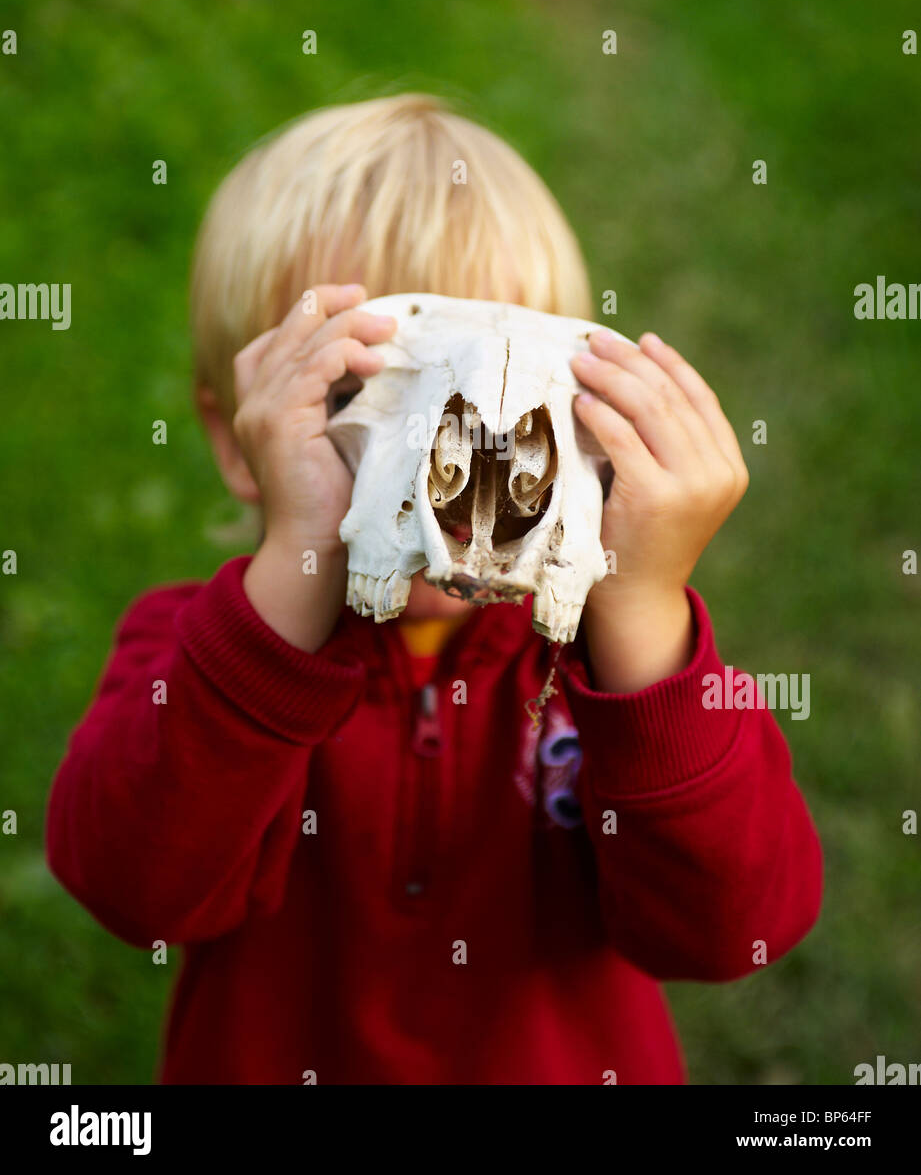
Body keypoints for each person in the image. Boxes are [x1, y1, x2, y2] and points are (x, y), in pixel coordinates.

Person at [46, 93, 822, 1084]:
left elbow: (735, 933)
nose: (446, 469)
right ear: (239, 439)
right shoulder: (199, 652)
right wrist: (292, 591)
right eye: (359, 391)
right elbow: (132, 889)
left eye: (506, 407)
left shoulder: (610, 669)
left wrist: (640, 612)